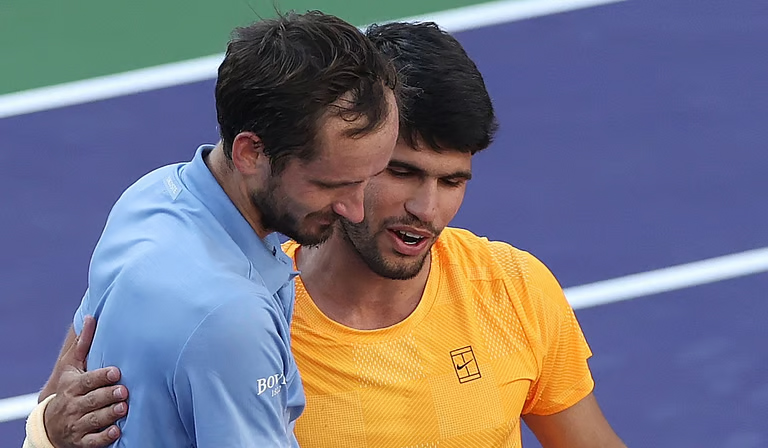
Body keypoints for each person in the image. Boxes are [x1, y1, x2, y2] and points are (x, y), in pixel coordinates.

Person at [24, 21, 626, 448]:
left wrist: (43, 433)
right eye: (399, 172)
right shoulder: (241, 320)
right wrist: (49, 430)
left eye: (452, 181)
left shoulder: (515, 288)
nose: (427, 210)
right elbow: (77, 399)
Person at [22, 10, 400, 448]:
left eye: (369, 179)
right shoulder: (233, 319)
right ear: (250, 153)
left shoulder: (148, 196)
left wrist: (44, 430)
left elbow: (62, 385)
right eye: (331, 184)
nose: (355, 210)